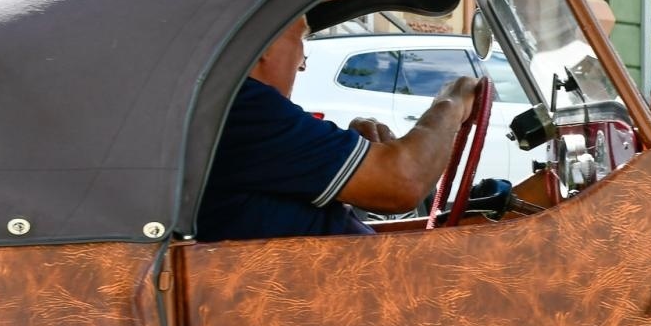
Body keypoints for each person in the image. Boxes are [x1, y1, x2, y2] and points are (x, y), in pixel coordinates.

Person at [196, 16, 480, 241]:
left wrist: (354, 150)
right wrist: (451, 103)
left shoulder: (241, 114)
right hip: (336, 291)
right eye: (300, 40)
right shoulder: (244, 109)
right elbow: (405, 181)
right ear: (263, 45)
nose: (302, 64)